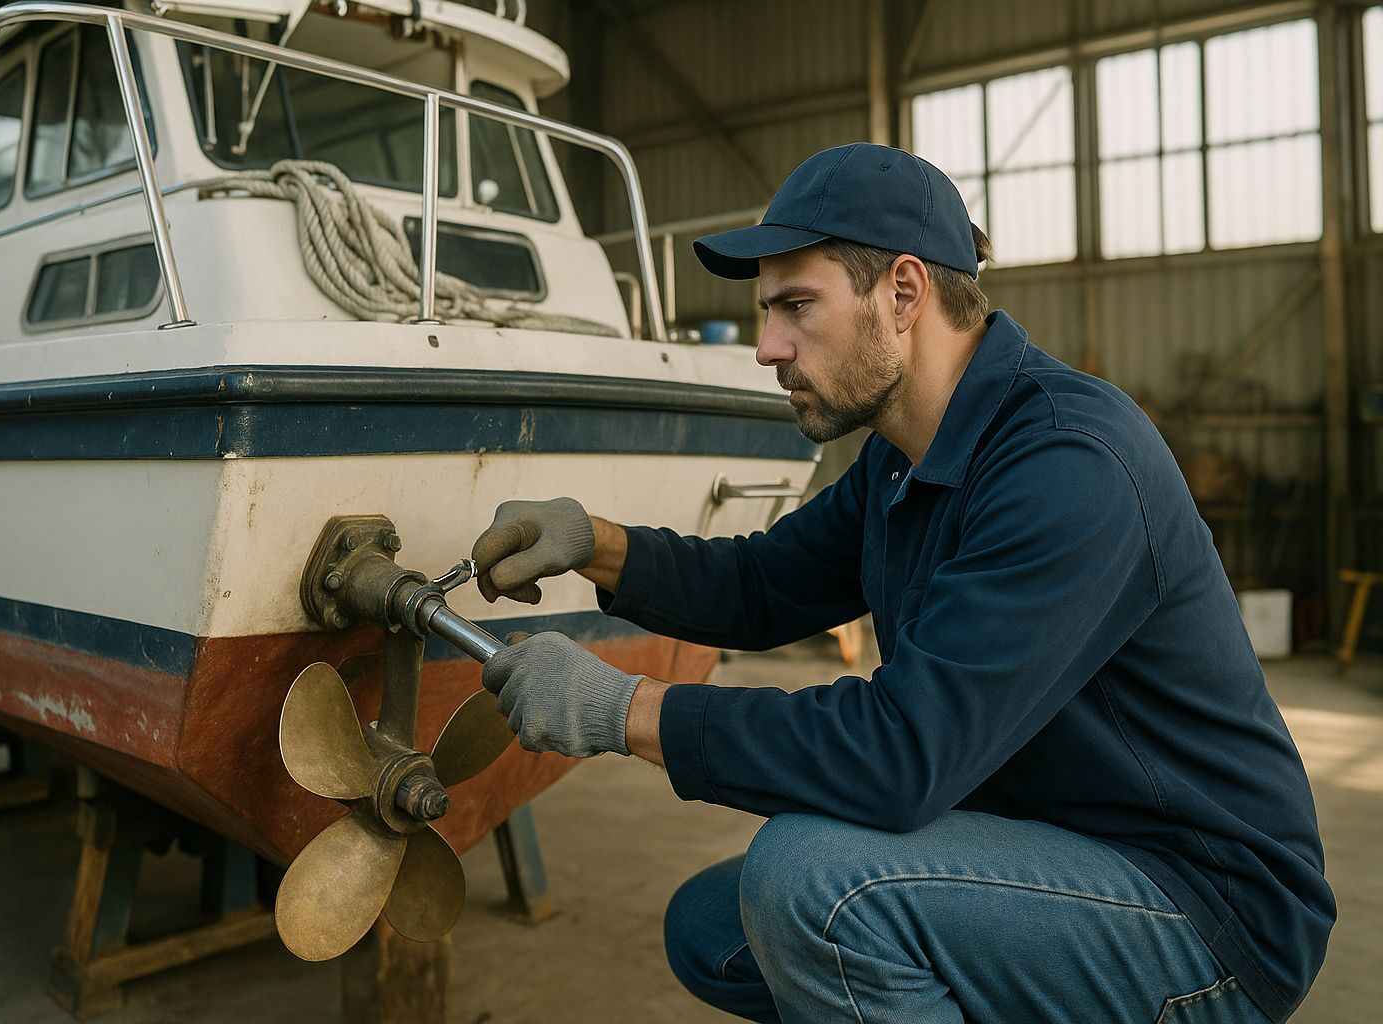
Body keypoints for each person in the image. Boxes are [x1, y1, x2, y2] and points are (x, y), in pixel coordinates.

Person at [470, 143, 1333, 1024]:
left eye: (796, 308)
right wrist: (593, 544)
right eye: (768, 313)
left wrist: (625, 710)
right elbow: (767, 585)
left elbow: (901, 757)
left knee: (813, 888)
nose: (769, 347)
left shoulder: (1068, 463)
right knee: (712, 928)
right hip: (1054, 846)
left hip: (1202, 907)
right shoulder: (902, 458)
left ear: (905, 293)